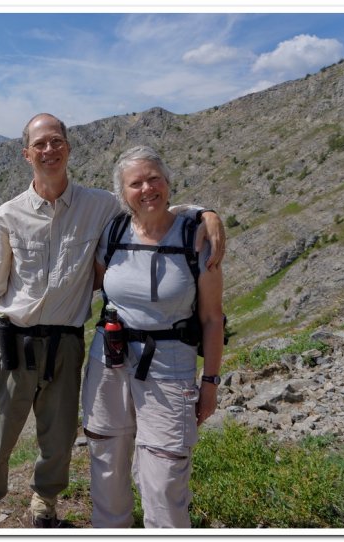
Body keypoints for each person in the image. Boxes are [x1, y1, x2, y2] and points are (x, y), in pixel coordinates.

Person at [0, 114, 225, 529]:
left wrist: (205, 213)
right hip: (14, 341)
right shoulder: (7, 215)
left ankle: (46, 500)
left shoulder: (101, 206)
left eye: (57, 141)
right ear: (27, 154)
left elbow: (149, 207)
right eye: (40, 144)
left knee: (60, 437)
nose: (49, 150)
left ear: (69, 148)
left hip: (68, 341)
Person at [81, 145, 225, 529]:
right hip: (108, 359)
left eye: (153, 179)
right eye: (135, 183)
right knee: (106, 459)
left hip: (171, 365)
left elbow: (212, 319)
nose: (146, 189)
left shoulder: (197, 239)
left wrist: (210, 381)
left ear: (168, 183)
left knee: (163, 477)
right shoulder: (113, 233)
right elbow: (91, 281)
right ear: (122, 193)